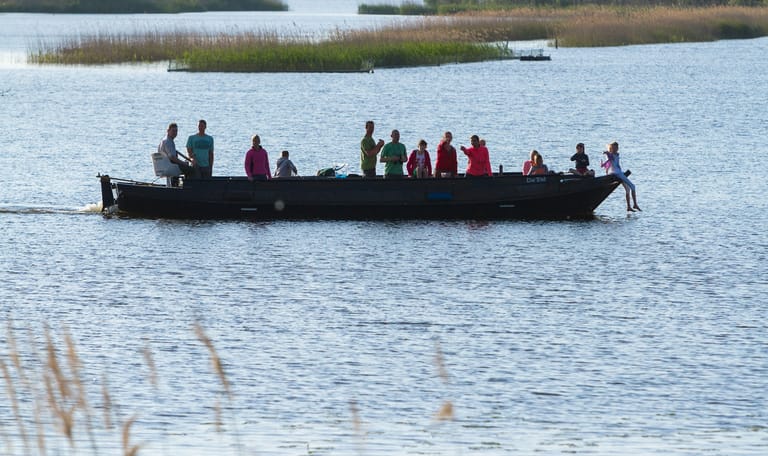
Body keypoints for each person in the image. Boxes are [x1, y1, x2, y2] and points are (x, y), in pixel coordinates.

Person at [602, 141, 640, 211]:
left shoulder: (617, 154)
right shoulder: (611, 154)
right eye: (614, 147)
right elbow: (609, 157)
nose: (616, 149)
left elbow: (615, 164)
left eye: (617, 147)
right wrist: (606, 153)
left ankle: (628, 207)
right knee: (633, 186)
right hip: (616, 173)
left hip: (618, 172)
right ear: (611, 148)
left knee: (628, 189)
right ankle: (635, 204)